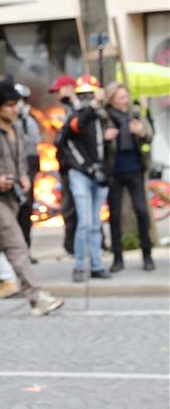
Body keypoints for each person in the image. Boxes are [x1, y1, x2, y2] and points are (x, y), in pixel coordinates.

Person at [0, 78, 64, 316]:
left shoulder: (18, 129)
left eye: (15, 104)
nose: (15, 108)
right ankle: (35, 296)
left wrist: (24, 176)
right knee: (17, 245)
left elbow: (20, 158)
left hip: (14, 197)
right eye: (9, 105)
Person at [56, 75, 113, 282]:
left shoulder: (102, 115)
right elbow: (76, 127)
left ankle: (96, 264)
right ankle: (80, 265)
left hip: (99, 174)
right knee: (85, 223)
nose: (88, 98)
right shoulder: (75, 113)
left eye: (92, 94)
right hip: (80, 173)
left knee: (96, 223)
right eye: (84, 95)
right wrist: (92, 106)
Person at [103, 83, 155, 272]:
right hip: (114, 172)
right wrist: (105, 137)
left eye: (126, 96)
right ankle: (118, 258)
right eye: (120, 98)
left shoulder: (136, 113)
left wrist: (142, 132)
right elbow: (95, 141)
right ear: (112, 100)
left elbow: (149, 135)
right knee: (114, 215)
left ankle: (147, 255)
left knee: (142, 211)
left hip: (135, 169)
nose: (125, 101)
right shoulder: (105, 116)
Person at [50, 74, 78, 255]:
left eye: (59, 90)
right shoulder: (68, 110)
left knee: (73, 208)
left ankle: (72, 245)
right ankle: (71, 245)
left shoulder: (78, 109)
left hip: (76, 167)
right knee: (69, 207)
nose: (57, 95)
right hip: (67, 167)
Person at [14, 83, 41, 261]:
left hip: (27, 168)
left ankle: (25, 249)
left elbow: (34, 146)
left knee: (26, 212)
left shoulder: (28, 121)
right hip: (10, 169)